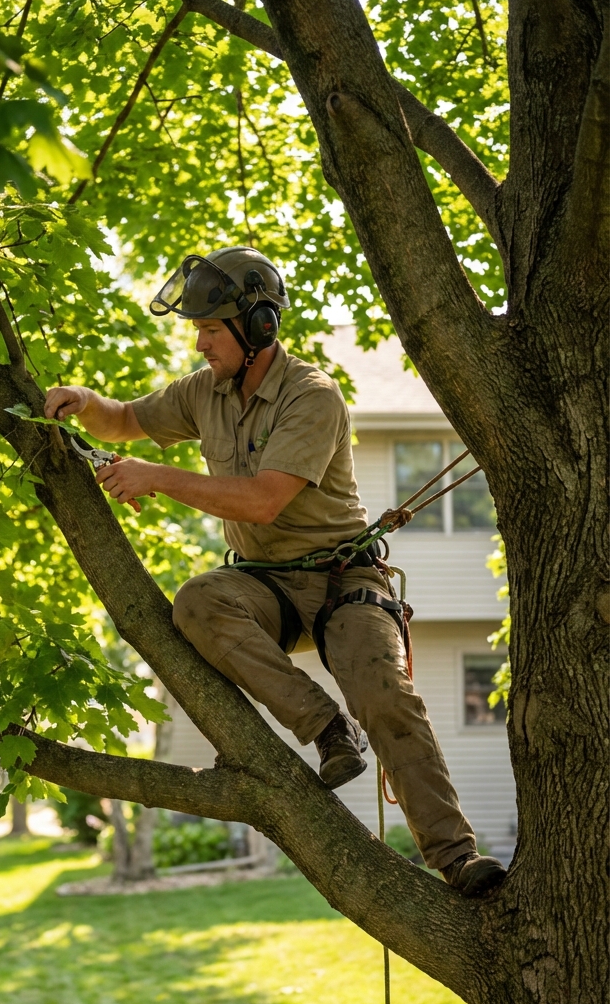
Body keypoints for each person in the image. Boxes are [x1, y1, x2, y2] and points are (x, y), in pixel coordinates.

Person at [44, 247, 506, 898]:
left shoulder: (311, 396)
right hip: (266, 585)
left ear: (258, 326)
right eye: (198, 331)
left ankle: (457, 857)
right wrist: (83, 401)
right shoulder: (200, 393)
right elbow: (123, 420)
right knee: (199, 602)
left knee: (383, 693)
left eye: (210, 329)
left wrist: (157, 479)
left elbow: (263, 498)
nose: (200, 343)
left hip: (345, 582)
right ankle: (325, 728)